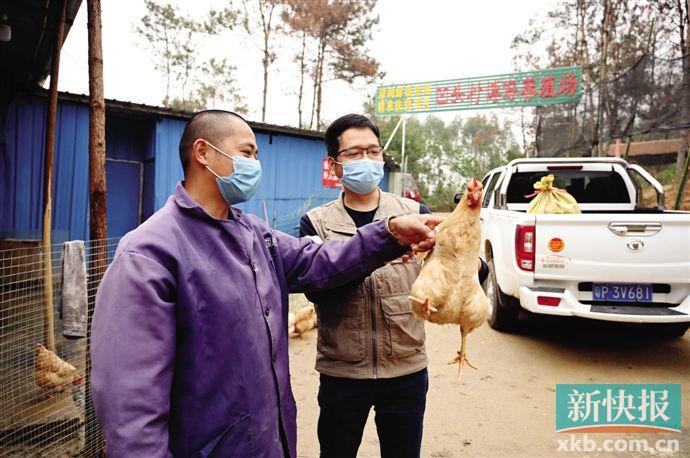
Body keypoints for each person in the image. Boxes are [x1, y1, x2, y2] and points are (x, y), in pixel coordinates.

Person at [90, 110, 443, 457]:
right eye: (246, 153)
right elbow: (130, 405)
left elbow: (318, 261)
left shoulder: (254, 233)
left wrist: (390, 233)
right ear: (202, 153)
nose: (255, 165)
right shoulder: (149, 254)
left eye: (256, 155)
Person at [299, 114, 489, 458]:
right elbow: (316, 286)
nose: (368, 160)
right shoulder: (316, 222)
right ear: (334, 164)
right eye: (355, 154)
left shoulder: (415, 212)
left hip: (406, 368)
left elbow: (448, 266)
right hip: (342, 371)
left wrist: (472, 265)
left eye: (373, 151)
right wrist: (380, 250)